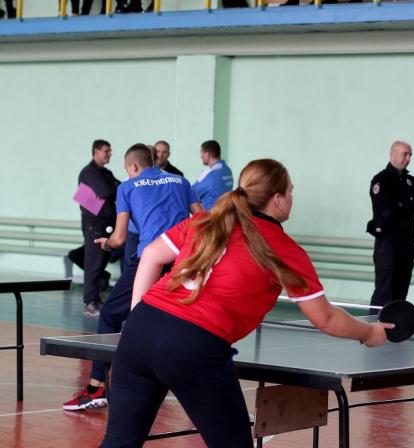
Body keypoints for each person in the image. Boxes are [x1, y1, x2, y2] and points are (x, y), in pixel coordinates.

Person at [98, 159, 391, 447]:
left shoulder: (204, 221)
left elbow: (151, 254)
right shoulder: (283, 248)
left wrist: (137, 318)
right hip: (194, 344)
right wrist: (369, 333)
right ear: (277, 200)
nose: (292, 198)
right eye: (290, 191)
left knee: (119, 443)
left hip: (140, 330)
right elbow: (324, 318)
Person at [63, 144, 201, 411]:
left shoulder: (127, 187)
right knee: (176, 320)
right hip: (182, 261)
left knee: (110, 315)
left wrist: (105, 244)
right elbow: (203, 218)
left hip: (149, 261)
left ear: (134, 167)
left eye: (127, 170)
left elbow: (119, 238)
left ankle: (96, 388)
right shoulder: (181, 181)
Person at [367, 140, 414, 311]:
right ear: (392, 154)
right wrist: (410, 208)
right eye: (405, 154)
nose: (408, 158)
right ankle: (375, 324)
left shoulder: (412, 181)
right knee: (384, 291)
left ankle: (395, 325)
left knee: (401, 291)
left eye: (410, 155)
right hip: (388, 243)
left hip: (407, 242)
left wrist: (403, 206)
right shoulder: (381, 180)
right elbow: (388, 211)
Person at [77, 139, 120, 317]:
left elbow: (118, 188)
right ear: (95, 152)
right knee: (93, 263)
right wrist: (113, 187)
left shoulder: (106, 172)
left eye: (110, 151)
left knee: (101, 262)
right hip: (94, 224)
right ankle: (90, 302)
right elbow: (106, 191)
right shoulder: (89, 172)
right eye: (106, 151)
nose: (109, 154)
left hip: (106, 223)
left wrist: (114, 187)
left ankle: (96, 298)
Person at [192, 139, 234, 210]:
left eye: (201, 153)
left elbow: (191, 192)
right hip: (226, 212)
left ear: (207, 154)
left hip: (211, 214)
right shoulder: (228, 170)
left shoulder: (210, 173)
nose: (201, 156)